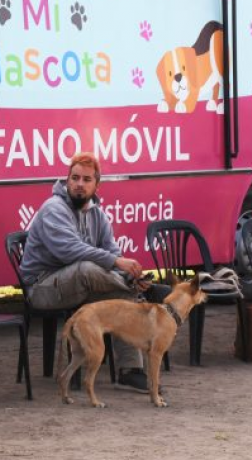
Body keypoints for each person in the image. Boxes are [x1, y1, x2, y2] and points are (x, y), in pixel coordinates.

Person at [19, 152, 171, 392]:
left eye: (86, 179)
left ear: (96, 185)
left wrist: (129, 275)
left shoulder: (97, 214)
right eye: (75, 178)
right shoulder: (53, 209)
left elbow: (111, 249)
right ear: (67, 180)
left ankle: (130, 371)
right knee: (87, 269)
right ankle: (148, 290)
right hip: (42, 287)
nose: (79, 184)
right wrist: (119, 265)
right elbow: (71, 252)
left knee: (123, 300)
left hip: (78, 285)